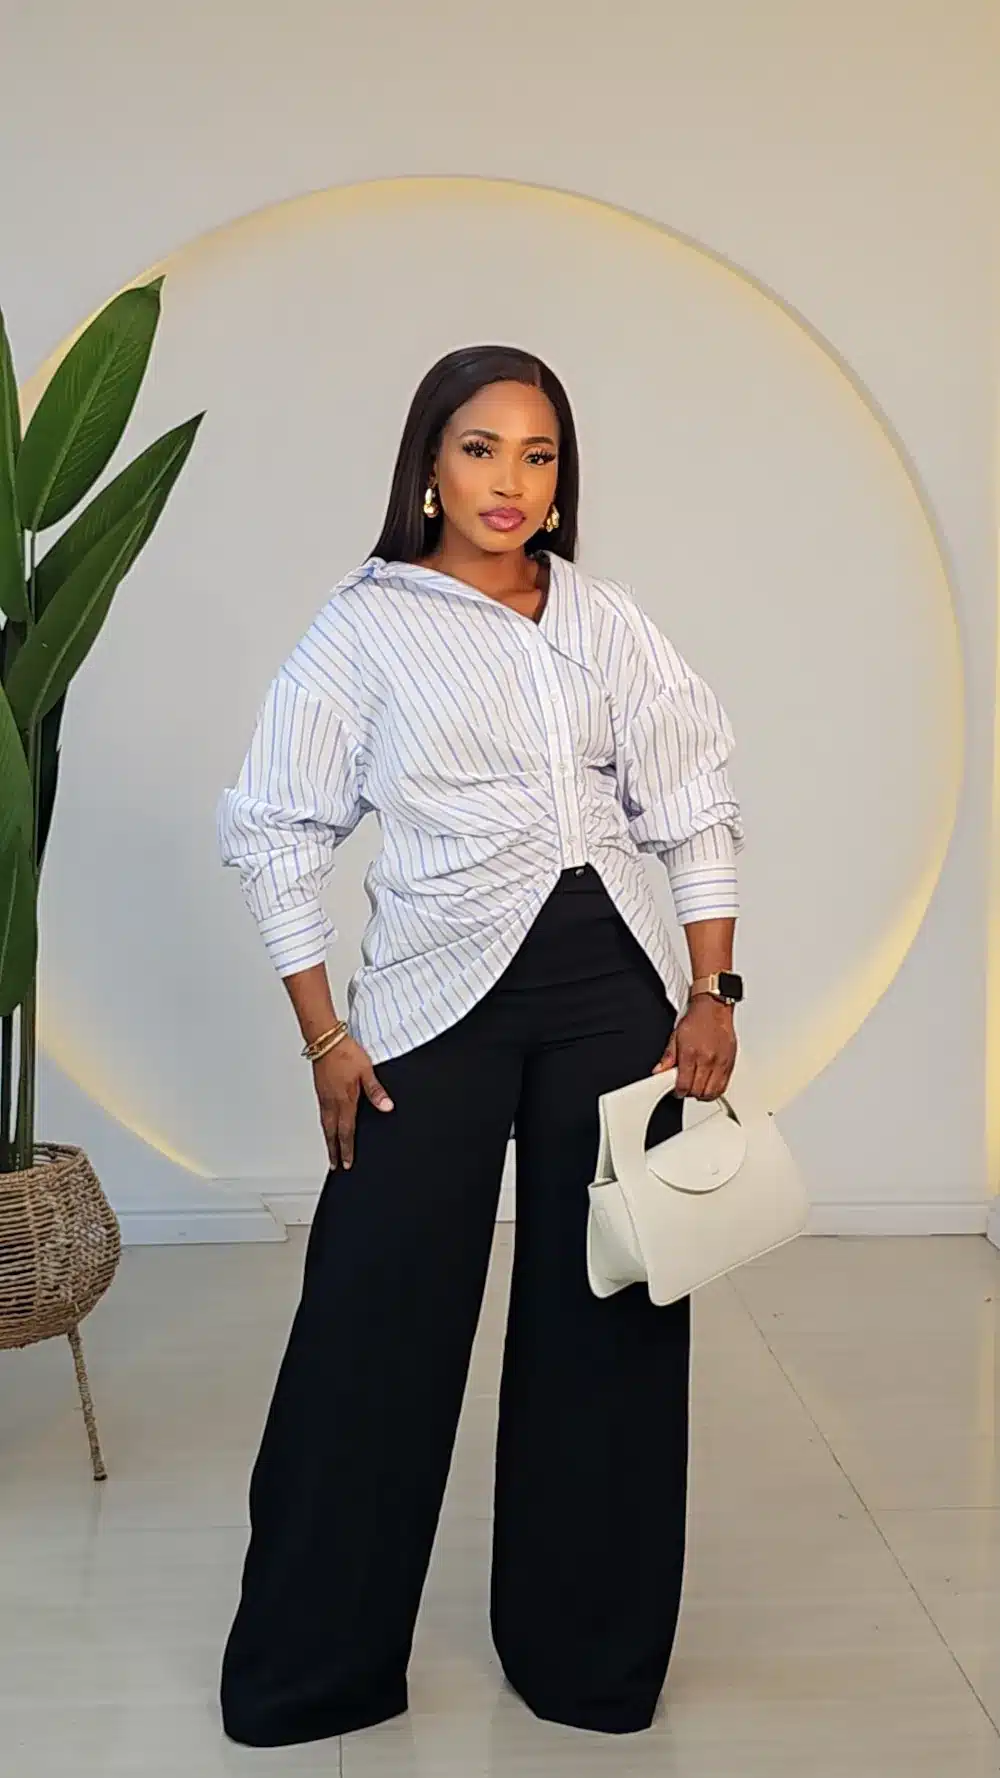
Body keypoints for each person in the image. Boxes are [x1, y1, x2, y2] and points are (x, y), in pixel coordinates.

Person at [216, 344, 744, 1747]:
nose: (510, 480)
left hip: (612, 988)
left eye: (538, 453)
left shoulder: (606, 619)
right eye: (480, 448)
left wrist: (713, 989)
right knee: (372, 1322)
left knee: (613, 1315)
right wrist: (325, 1034)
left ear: (562, 480)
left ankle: (587, 1661)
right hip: (433, 997)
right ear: (429, 468)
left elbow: (692, 795)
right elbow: (274, 826)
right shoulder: (364, 628)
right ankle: (315, 1669)